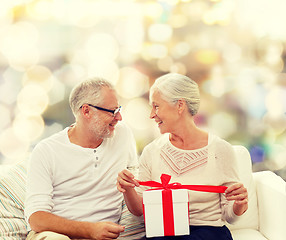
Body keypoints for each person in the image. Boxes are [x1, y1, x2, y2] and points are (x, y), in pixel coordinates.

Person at [117, 73, 248, 240]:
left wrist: (239, 204)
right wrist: (128, 189)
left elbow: (230, 216)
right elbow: (139, 211)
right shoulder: (152, 151)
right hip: (165, 232)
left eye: (156, 106)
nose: (151, 114)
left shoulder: (220, 150)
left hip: (207, 233)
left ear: (180, 106)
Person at [25, 78, 138, 240]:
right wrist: (90, 230)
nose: (119, 117)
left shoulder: (122, 135)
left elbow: (136, 184)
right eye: (112, 111)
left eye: (118, 109)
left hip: (105, 235)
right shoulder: (46, 150)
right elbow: (36, 218)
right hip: (56, 235)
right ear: (86, 111)